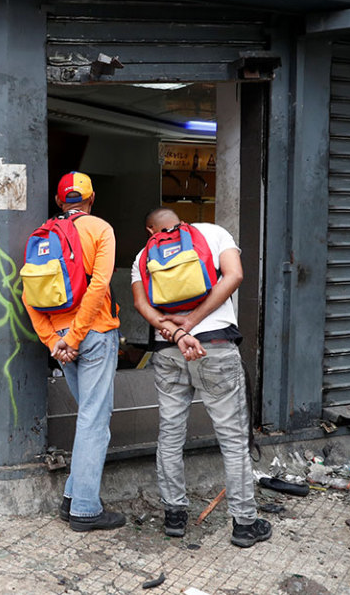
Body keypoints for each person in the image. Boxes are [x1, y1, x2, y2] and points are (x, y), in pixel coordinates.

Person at [130, 207, 270, 548]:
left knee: (170, 434)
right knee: (233, 438)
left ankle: (174, 516)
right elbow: (234, 276)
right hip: (214, 346)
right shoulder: (214, 232)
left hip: (167, 351)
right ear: (181, 221)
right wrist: (192, 322)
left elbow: (142, 305)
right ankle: (244, 524)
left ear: (150, 230)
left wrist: (175, 330)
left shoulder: (143, 256)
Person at [23, 172, 126, 532]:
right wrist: (78, 335)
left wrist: (54, 340)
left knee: (90, 418)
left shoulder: (42, 234)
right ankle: (85, 510)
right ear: (91, 199)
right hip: (94, 333)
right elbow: (99, 286)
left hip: (63, 338)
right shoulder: (100, 228)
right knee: (94, 421)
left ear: (58, 201)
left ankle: (71, 499)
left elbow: (29, 294)